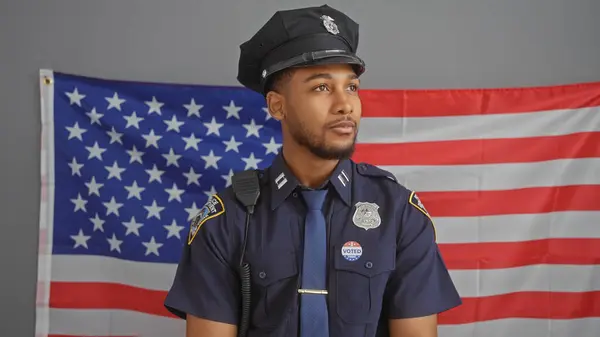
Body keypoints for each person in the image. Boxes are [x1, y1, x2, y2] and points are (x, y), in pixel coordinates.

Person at [164, 4, 462, 337]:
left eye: (351, 87)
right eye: (321, 87)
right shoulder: (227, 220)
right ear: (278, 106)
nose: (345, 104)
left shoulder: (398, 213)